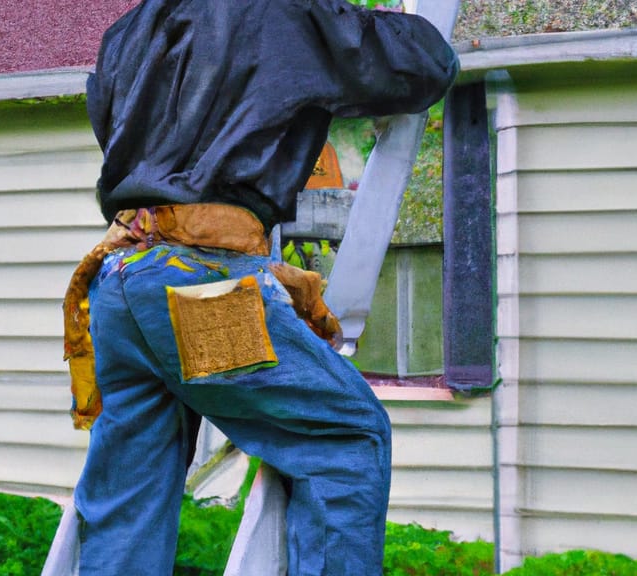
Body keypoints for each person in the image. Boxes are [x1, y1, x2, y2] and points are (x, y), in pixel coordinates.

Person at [62, 0, 457, 574]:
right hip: (199, 290)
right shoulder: (286, 10)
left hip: (120, 281)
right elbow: (420, 65)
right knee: (345, 441)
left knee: (130, 495)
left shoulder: (133, 28)